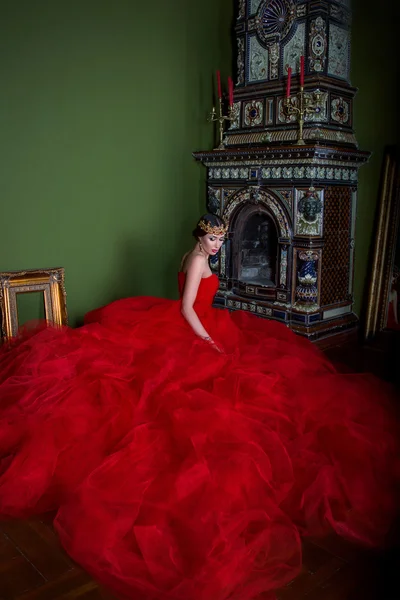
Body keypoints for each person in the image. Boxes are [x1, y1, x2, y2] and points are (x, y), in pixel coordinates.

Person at [0, 213, 399, 600]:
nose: (219, 245)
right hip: (195, 326)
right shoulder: (196, 262)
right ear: (199, 237)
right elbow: (188, 308)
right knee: (193, 390)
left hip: (204, 321)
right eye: (214, 239)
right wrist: (208, 342)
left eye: (223, 239)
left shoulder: (196, 257)